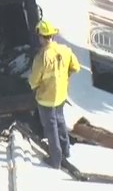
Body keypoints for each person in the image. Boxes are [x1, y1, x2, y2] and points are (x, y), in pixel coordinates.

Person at [27, 20, 81, 169]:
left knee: (50, 127)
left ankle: (55, 160)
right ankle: (66, 150)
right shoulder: (65, 50)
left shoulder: (41, 57)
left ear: (42, 37)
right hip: (61, 95)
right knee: (60, 121)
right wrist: (65, 77)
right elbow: (76, 67)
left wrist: (35, 86)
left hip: (46, 99)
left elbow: (33, 80)